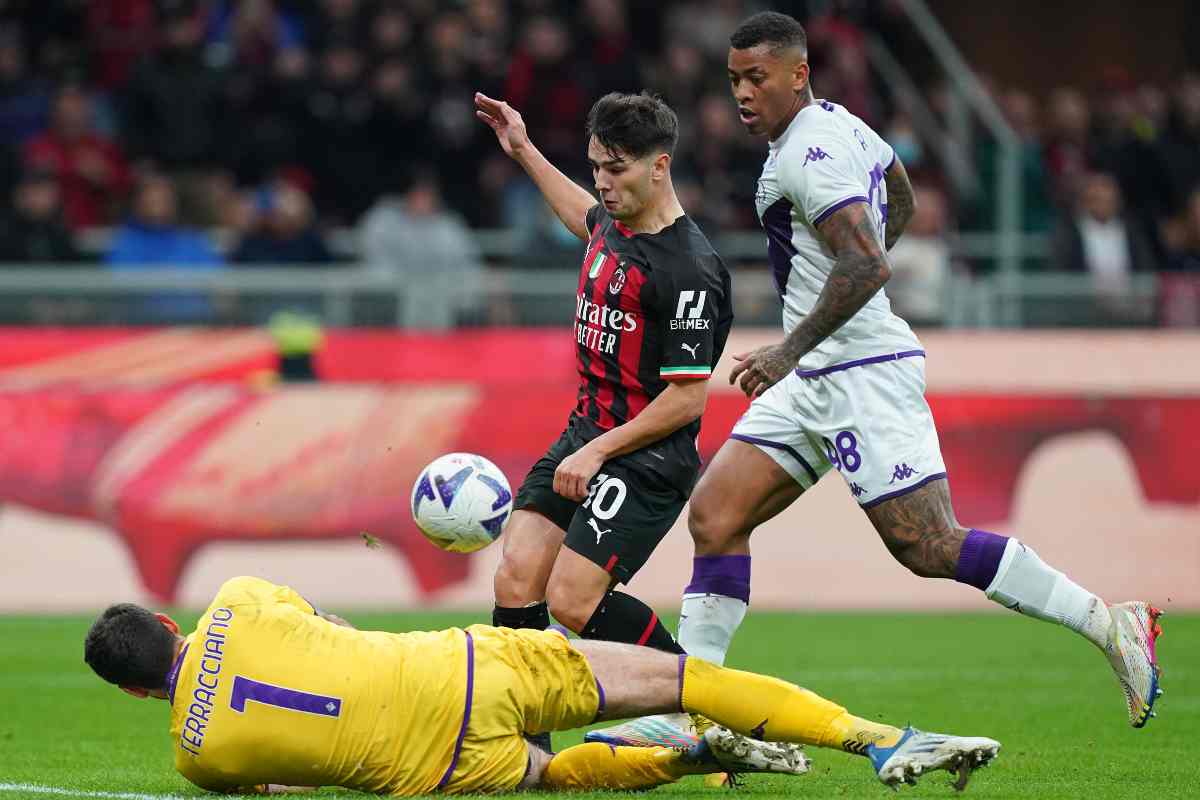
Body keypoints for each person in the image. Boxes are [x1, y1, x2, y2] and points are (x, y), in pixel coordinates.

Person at [590, 11, 1163, 750]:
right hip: (816, 375)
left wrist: (789, 348)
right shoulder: (840, 125)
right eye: (734, 79)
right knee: (717, 515)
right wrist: (811, 336)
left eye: (757, 78)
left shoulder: (811, 152)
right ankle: (694, 715)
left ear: (799, 73)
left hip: (858, 373)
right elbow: (902, 194)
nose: (742, 94)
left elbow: (868, 261)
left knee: (927, 545)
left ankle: (1109, 624)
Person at [83, 575, 1001, 794]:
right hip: (462, 666)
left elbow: (286, 785)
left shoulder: (197, 760)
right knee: (684, 675)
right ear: (167, 621)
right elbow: (337, 633)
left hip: (437, 767)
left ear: (134, 693)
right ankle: (876, 739)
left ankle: (682, 761)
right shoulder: (239, 600)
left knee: (550, 777)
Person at [473, 91, 732, 681]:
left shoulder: (688, 269)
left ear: (659, 166)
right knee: (516, 575)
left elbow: (688, 397)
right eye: (595, 167)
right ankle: (523, 729)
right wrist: (523, 149)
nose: (603, 182)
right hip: (586, 433)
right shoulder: (613, 224)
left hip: (647, 460)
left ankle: (699, 702)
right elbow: (584, 216)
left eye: (616, 169)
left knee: (572, 599)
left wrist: (598, 452)